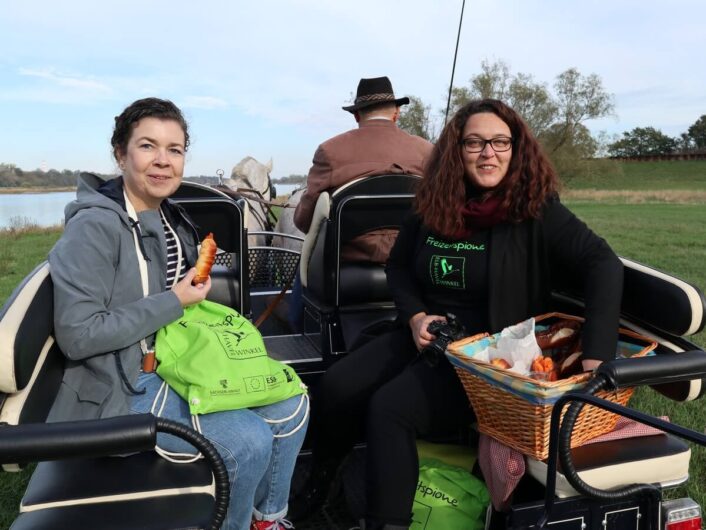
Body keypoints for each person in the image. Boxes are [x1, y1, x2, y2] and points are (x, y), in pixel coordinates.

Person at [290, 99, 623, 529]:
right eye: (475, 143)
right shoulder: (432, 202)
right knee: (337, 385)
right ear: (456, 150)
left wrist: (597, 353)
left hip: (484, 358)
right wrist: (414, 317)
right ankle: (323, 483)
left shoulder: (536, 209)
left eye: (500, 141)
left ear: (516, 147)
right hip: (425, 335)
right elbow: (399, 267)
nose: (489, 153)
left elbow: (603, 263)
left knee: (389, 409)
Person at [47, 97, 308, 530]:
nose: (163, 161)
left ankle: (269, 519)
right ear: (120, 153)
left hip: (169, 356)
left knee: (291, 404)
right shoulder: (96, 226)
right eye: (148, 146)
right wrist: (175, 301)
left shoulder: (167, 214)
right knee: (249, 441)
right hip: (120, 386)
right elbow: (78, 334)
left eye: (175, 149)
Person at [293, 75, 433, 264]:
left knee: (303, 275)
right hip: (415, 260)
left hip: (346, 265)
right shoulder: (426, 150)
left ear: (357, 115)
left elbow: (305, 221)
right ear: (396, 113)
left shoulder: (330, 150)